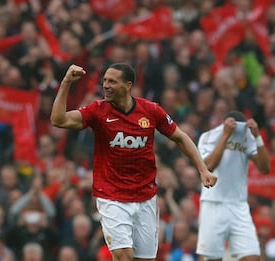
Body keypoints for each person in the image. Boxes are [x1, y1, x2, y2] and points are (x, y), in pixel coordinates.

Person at [50, 63, 217, 261]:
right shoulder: (98, 111)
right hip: (112, 195)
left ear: (128, 85)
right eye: (104, 81)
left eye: (112, 81)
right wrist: (67, 82)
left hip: (145, 196)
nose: (106, 85)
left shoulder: (151, 111)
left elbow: (180, 137)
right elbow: (58, 120)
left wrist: (203, 169)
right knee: (123, 255)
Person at [196, 110, 270, 261]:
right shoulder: (208, 136)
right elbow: (208, 166)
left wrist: (257, 136)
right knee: (212, 258)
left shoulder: (247, 137)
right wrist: (225, 135)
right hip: (213, 203)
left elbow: (264, 168)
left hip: (239, 206)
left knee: (253, 257)